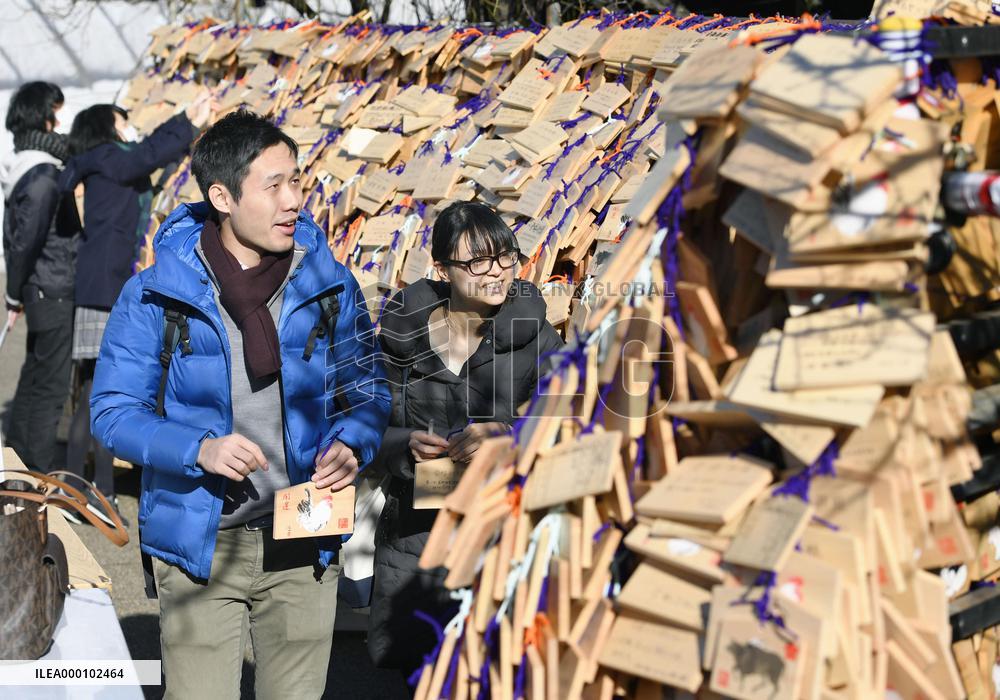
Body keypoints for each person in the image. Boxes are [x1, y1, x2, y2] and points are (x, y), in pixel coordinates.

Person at [89, 109, 391, 699]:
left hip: (305, 539)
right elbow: (113, 410)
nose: (293, 200)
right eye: (273, 186)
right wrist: (197, 448)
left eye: (296, 181)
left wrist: (355, 440)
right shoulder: (157, 292)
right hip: (202, 540)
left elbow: (370, 390)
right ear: (222, 197)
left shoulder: (329, 284)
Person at [368, 202, 563, 676]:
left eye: (505, 257)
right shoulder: (403, 333)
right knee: (420, 667)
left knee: (491, 668)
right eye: (477, 262)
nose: (495, 272)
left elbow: (569, 420)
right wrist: (403, 442)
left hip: (498, 532)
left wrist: (508, 434)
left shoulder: (533, 333)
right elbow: (365, 418)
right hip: (416, 531)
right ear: (441, 268)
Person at [59, 94, 213, 524]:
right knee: (103, 394)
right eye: (124, 120)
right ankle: (93, 493)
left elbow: (146, 155)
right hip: (103, 289)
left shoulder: (101, 162)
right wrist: (187, 121)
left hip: (97, 285)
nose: (130, 126)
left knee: (95, 390)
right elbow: (148, 154)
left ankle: (81, 489)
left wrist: (184, 122)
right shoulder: (110, 158)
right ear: (108, 125)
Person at [1, 81, 80, 472]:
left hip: (40, 287)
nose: (61, 122)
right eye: (57, 112)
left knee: (34, 374)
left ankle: (16, 460)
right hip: (53, 287)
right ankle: (36, 474)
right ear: (43, 116)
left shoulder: (25, 167)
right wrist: (13, 295)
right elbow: (24, 242)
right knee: (49, 387)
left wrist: (17, 293)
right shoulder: (44, 175)